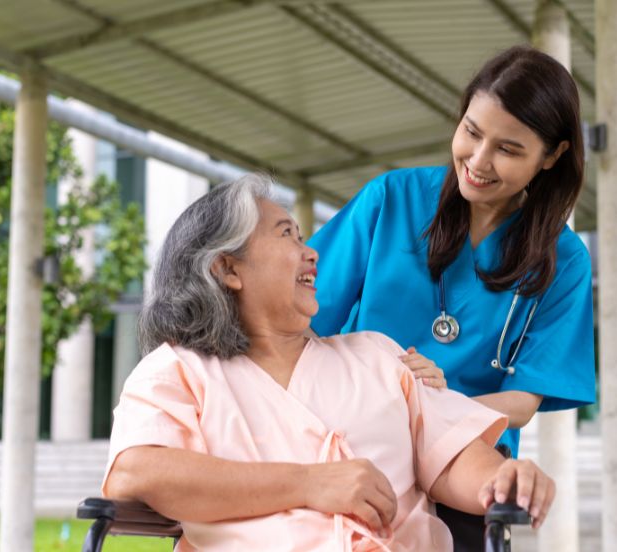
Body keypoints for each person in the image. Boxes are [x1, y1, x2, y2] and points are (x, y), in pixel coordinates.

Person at [102, 175, 555, 551]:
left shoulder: (377, 354)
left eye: (302, 237)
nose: (312, 252)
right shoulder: (178, 370)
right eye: (285, 234)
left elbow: (455, 458)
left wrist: (505, 477)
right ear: (228, 269)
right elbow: (135, 472)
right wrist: (308, 483)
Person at [307, 46, 595, 547]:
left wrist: (431, 407)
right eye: (472, 132)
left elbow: (523, 401)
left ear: (552, 156)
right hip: (356, 439)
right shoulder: (390, 200)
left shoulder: (563, 260)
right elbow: (302, 317)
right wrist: (387, 399)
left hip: (467, 457)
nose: (478, 163)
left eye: (508, 149)